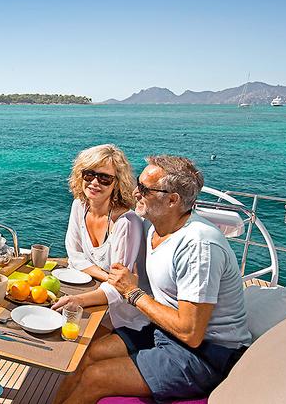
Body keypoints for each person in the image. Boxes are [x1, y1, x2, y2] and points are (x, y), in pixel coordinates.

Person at [56, 155, 251, 404]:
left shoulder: (199, 246)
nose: (135, 192)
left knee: (96, 376)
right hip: (164, 332)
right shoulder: (156, 227)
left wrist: (133, 293)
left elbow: (191, 332)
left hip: (209, 354)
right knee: (89, 354)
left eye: (145, 189)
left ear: (172, 200)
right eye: (138, 184)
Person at [55, 144, 149, 330]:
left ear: (117, 183)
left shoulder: (126, 223)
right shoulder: (79, 206)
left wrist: (79, 299)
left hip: (122, 314)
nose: (95, 182)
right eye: (89, 174)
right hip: (94, 292)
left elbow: (120, 288)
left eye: (105, 178)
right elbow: (75, 257)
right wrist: (107, 277)